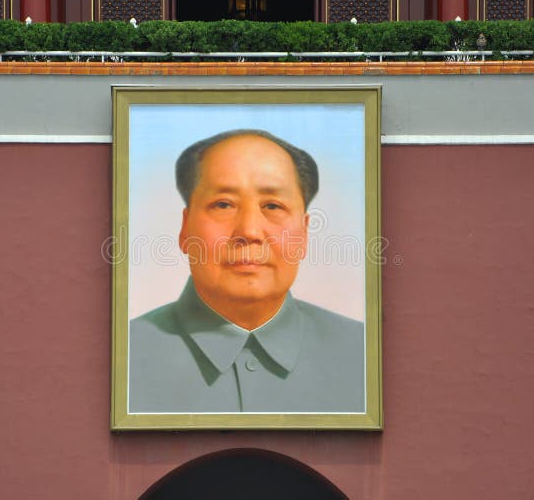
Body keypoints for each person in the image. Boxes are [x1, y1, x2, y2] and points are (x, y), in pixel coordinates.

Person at [129, 129, 364, 413]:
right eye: (224, 204)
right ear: (185, 228)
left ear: (303, 233)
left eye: (273, 206)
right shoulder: (124, 355)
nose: (250, 231)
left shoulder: (363, 354)